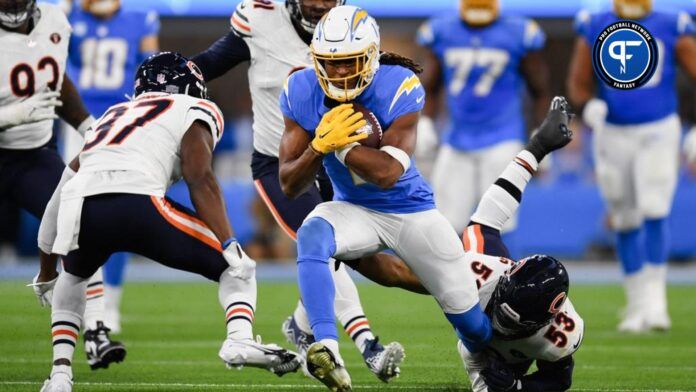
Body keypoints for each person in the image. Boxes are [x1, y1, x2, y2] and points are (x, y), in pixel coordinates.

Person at [38, 52, 301, 392]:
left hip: (83, 205)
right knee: (237, 268)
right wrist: (228, 242)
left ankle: (60, 376)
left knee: (73, 278)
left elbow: (61, 190)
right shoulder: (195, 109)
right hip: (138, 200)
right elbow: (199, 176)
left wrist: (46, 270)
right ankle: (239, 337)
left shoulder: (112, 115)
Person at [191, 0, 413, 381]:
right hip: (284, 166)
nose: (318, 4)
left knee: (376, 262)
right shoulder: (260, 20)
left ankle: (300, 324)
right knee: (322, 249)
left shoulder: (352, 29)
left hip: (340, 162)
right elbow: (204, 65)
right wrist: (162, 83)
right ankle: (367, 345)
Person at [279, 6, 494, 391]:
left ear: (370, 57)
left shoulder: (399, 84)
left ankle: (486, 366)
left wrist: (340, 148)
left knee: (473, 325)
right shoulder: (300, 88)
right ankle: (326, 348)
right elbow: (290, 184)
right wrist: (316, 147)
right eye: (331, 63)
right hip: (353, 209)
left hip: (411, 212)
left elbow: (386, 173)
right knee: (311, 232)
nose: (340, 73)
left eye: (349, 63)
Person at [0, 0, 125, 370]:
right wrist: (10, 115)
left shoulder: (55, 19)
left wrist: (87, 125)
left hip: (33, 155)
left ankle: (97, 331)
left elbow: (55, 81)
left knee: (83, 225)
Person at [567, 0, 696, 333]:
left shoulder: (671, 23)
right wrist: (588, 104)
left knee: (654, 208)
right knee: (623, 216)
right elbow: (578, 82)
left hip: (658, 128)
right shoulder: (594, 23)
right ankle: (637, 303)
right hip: (613, 131)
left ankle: (656, 303)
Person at [456, 97, 583, 392]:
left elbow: (559, 380)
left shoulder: (560, 335)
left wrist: (520, 387)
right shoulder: (479, 271)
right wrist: (537, 149)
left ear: (543, 322)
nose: (497, 323)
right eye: (503, 312)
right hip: (474, 300)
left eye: (510, 321)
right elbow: (488, 217)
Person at [63, 0, 160, 334]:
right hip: (77, 121)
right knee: (74, 216)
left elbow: (151, 71)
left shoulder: (140, 18)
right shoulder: (70, 17)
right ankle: (79, 299)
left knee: (118, 211)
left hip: (122, 122)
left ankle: (109, 303)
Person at [417, 0, 551, 238]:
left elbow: (539, 89)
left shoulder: (518, 31)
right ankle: (456, 275)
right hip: (456, 138)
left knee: (499, 221)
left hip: (503, 136)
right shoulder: (442, 30)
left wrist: (540, 134)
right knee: (446, 223)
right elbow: (429, 86)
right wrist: (425, 121)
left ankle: (503, 275)